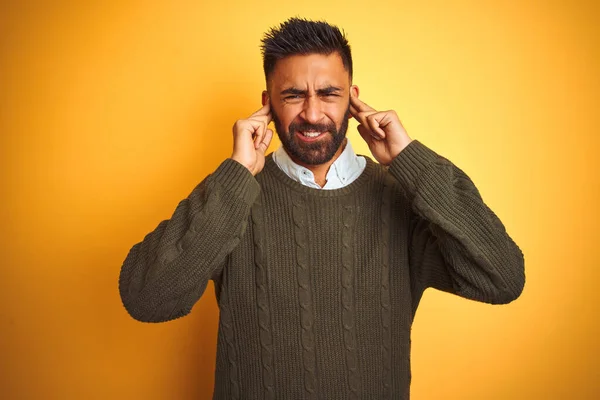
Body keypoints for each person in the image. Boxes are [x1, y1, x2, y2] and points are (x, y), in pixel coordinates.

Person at [119, 17, 525, 400]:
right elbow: (147, 299)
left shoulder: (401, 197)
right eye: (293, 95)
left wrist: (409, 159)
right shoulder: (233, 197)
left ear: (352, 99)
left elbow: (502, 278)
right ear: (267, 104)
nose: (312, 114)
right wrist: (237, 174)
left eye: (329, 94)